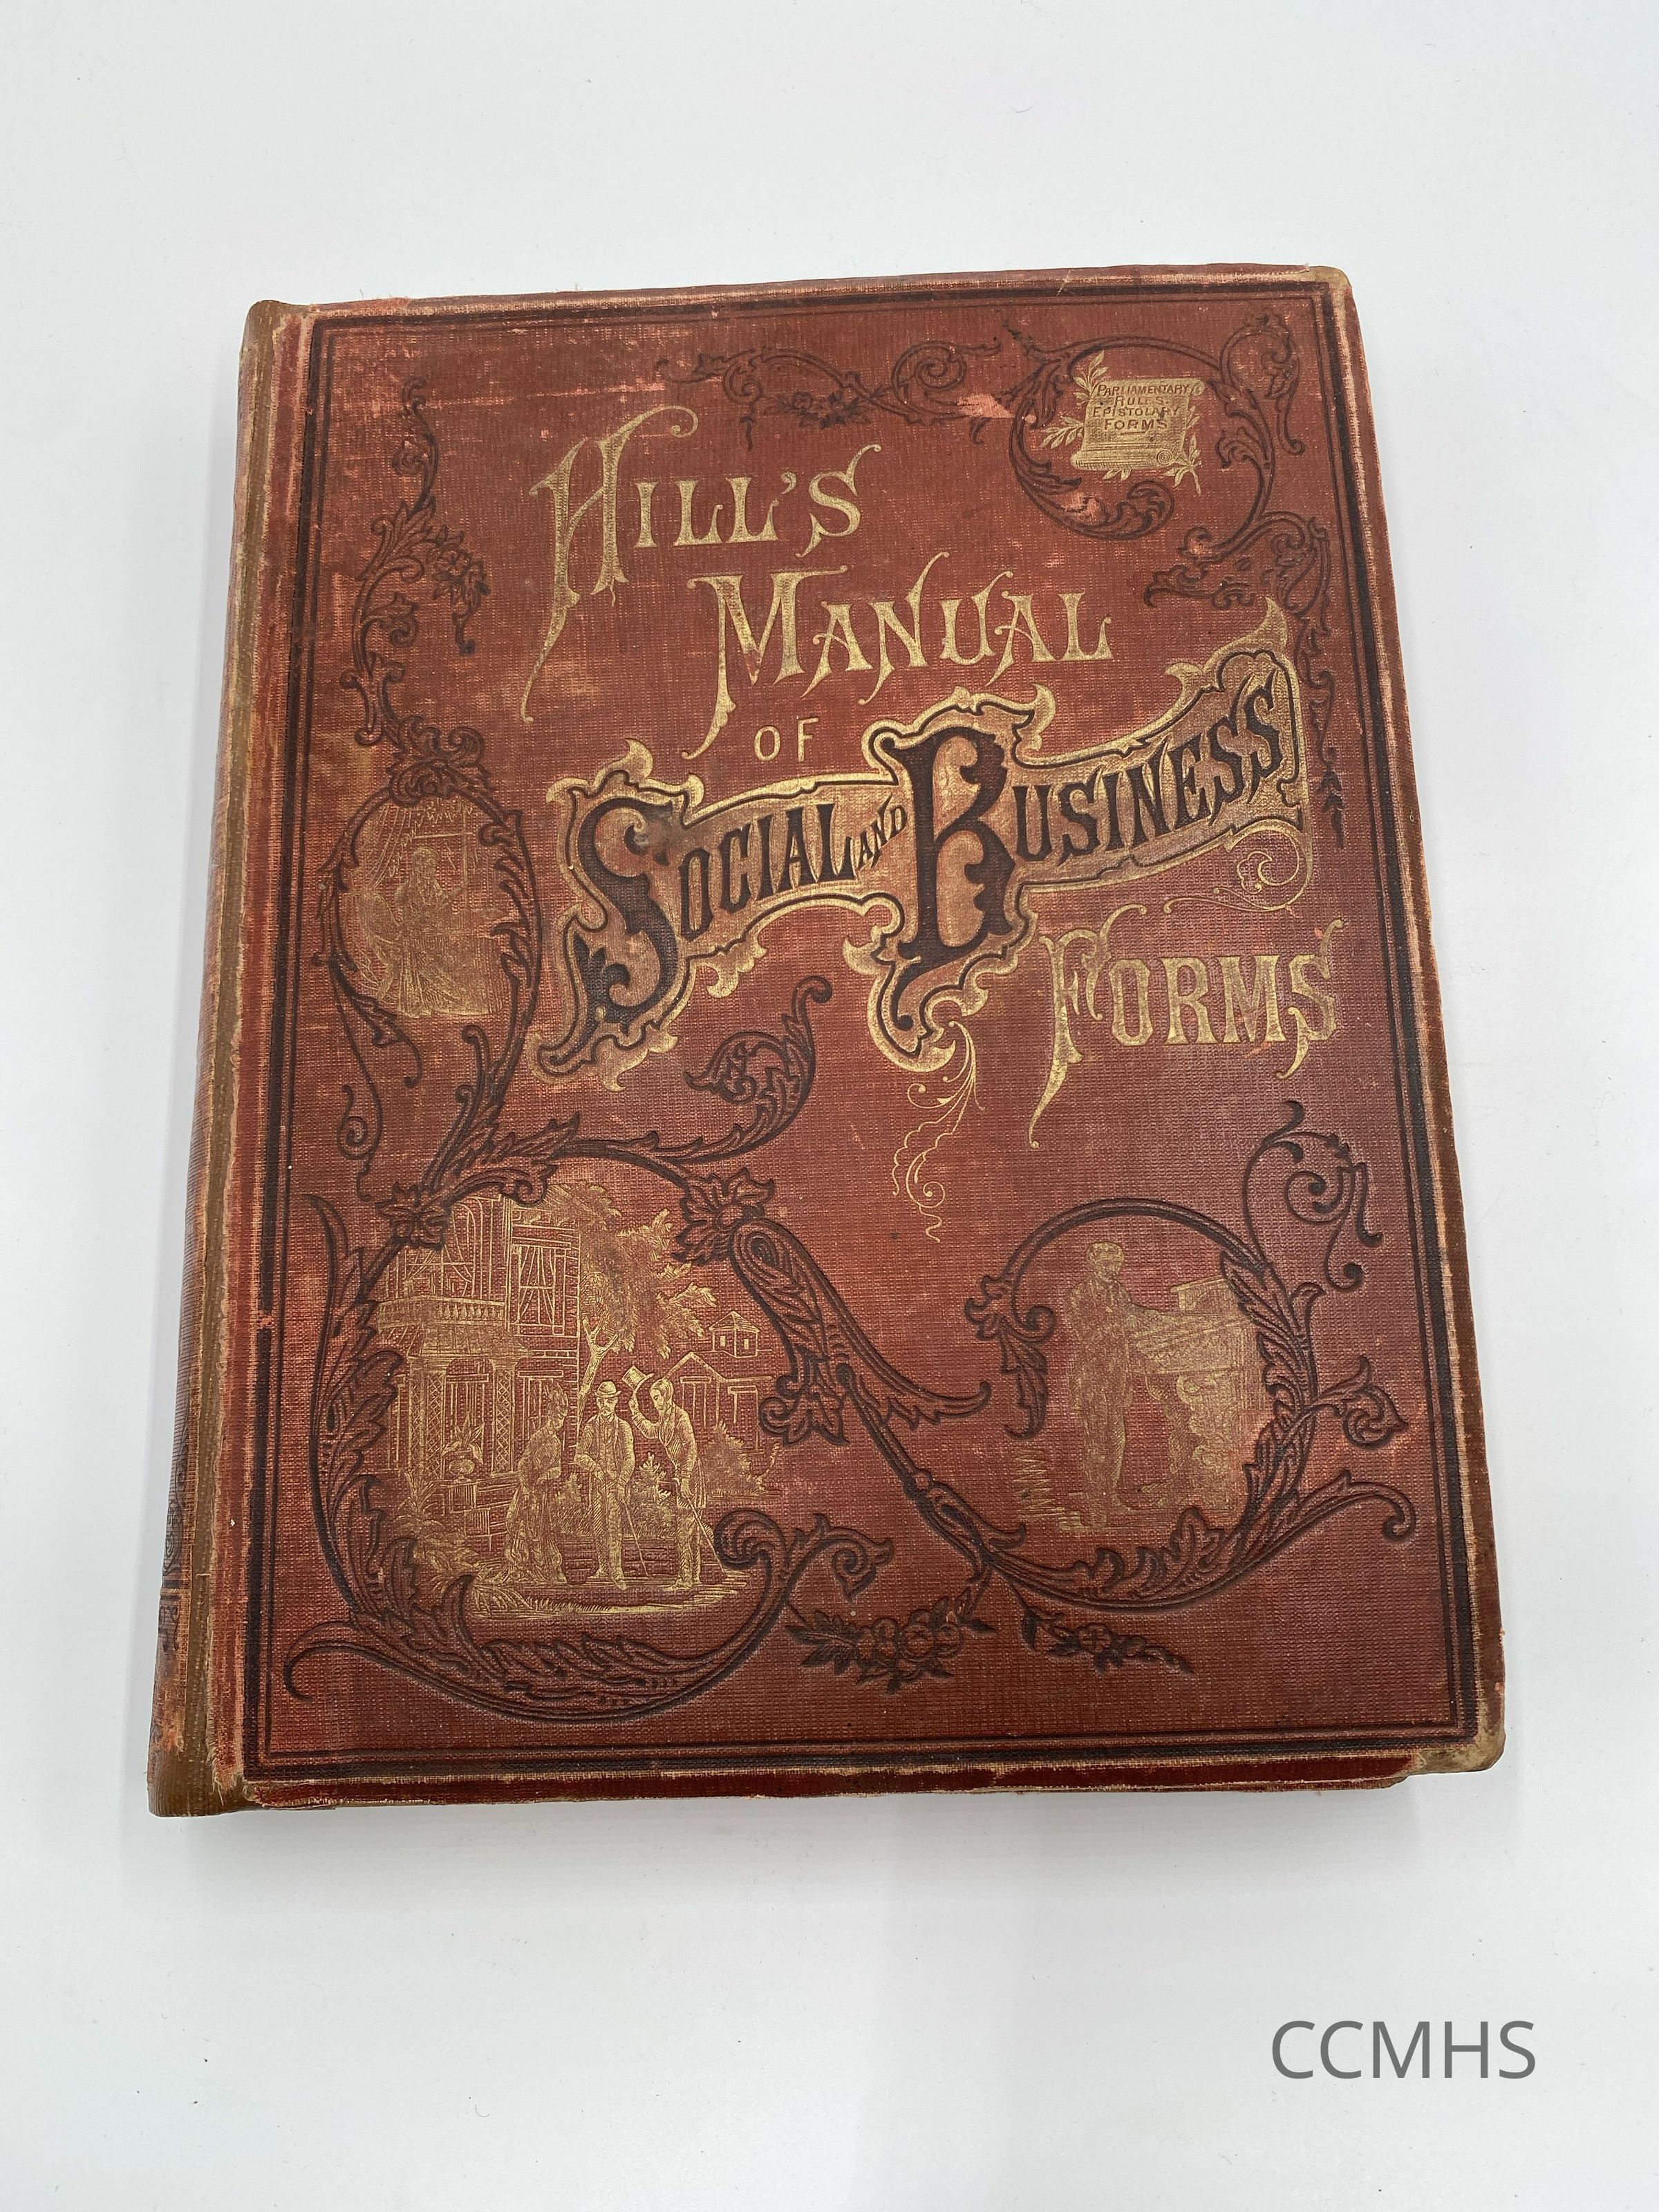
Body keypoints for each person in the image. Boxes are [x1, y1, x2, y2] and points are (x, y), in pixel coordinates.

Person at [630, 1374, 706, 1588]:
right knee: (690, 1532)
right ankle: (694, 1578)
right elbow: (652, 1431)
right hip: (683, 1475)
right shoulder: (665, 1418)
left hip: (691, 1476)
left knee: (685, 1531)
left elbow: (691, 1448)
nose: (654, 1402)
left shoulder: (680, 1417)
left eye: (657, 1397)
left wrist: (685, 1478)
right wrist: (636, 1413)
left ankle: (685, 1580)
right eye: (653, 1398)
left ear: (667, 1396)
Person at [575, 1378, 635, 1587]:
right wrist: (595, 1468)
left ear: (615, 1402)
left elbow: (630, 1459)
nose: (605, 1405)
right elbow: (579, 1455)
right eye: (601, 1401)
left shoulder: (624, 1427)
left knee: (614, 1527)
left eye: (609, 1401)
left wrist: (621, 1483)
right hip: (598, 1485)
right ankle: (603, 1569)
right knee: (599, 1526)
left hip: (616, 1485)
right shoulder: (591, 1426)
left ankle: (617, 1571)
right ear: (597, 1401)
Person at [505, 1395, 568, 1586]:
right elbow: (524, 1463)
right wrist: (526, 1489)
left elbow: (558, 1469)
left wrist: (547, 1475)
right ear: (551, 1416)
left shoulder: (557, 1442)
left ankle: (546, 1568)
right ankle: (522, 1568)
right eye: (558, 1418)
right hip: (529, 1491)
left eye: (563, 1419)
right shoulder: (538, 1437)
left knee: (543, 1529)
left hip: (543, 1492)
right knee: (526, 1527)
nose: (560, 1423)